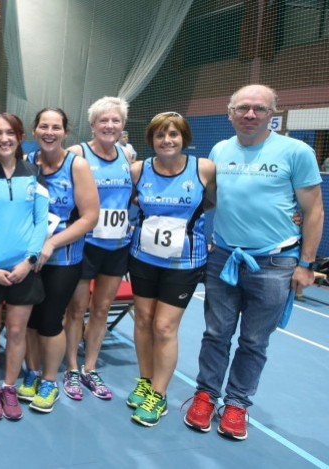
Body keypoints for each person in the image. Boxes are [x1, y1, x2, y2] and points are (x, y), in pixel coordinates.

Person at [184, 85, 323, 440]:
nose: (250, 115)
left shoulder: (297, 152)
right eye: (242, 108)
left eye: (259, 109)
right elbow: (213, 199)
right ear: (230, 112)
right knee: (216, 334)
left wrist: (306, 264)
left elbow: (313, 210)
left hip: (276, 263)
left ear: (272, 114)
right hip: (224, 258)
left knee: (254, 341)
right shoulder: (219, 150)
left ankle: (237, 404)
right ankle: (205, 396)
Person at [125, 112, 214, 426]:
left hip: (184, 262)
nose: (167, 141)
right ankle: (145, 381)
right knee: (144, 321)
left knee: (164, 327)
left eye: (173, 135)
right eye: (160, 135)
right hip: (143, 258)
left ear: (184, 138)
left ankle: (159, 396)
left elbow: (212, 202)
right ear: (151, 140)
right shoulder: (139, 170)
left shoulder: (203, 169)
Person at [17, 108, 99, 413]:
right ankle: (32, 371)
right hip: (29, 259)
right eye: (43, 126)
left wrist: (51, 242)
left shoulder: (76, 165)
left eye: (56, 127)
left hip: (63, 258)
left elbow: (90, 217)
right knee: (30, 320)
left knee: (51, 320)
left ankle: (50, 380)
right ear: (35, 131)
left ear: (66, 132)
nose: (49, 132)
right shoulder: (27, 163)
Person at [0, 112, 48, 421]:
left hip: (24, 270)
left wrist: (29, 260)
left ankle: (8, 386)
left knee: (17, 331)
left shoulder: (34, 173)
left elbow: (40, 220)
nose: (4, 138)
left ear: (20, 137)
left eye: (10, 133)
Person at [63, 97, 133, 402]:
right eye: (103, 121)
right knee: (76, 309)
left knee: (102, 309)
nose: (110, 126)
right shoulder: (77, 153)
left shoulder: (127, 156)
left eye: (115, 120)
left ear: (122, 126)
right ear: (93, 125)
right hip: (84, 245)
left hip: (116, 245)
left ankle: (91, 367)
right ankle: (71, 367)